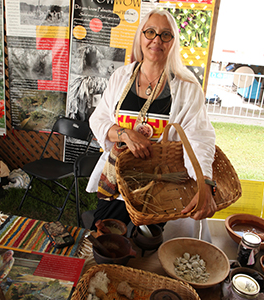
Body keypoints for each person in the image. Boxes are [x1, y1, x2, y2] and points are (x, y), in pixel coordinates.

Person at [86, 9, 217, 235]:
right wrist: (125, 133)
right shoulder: (122, 77)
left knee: (147, 248)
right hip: (118, 182)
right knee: (105, 240)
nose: (156, 39)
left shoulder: (186, 87)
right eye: (150, 32)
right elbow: (98, 119)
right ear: (140, 36)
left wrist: (205, 182)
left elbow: (200, 138)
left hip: (161, 188)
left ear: (173, 42)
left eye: (165, 35)